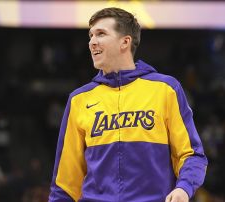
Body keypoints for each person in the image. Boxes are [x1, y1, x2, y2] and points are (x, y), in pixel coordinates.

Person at [49, 7, 208, 202]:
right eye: (90, 35)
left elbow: (191, 155)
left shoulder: (166, 89)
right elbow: (65, 182)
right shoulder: (79, 99)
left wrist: (184, 188)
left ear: (125, 41)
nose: (92, 42)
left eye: (101, 34)